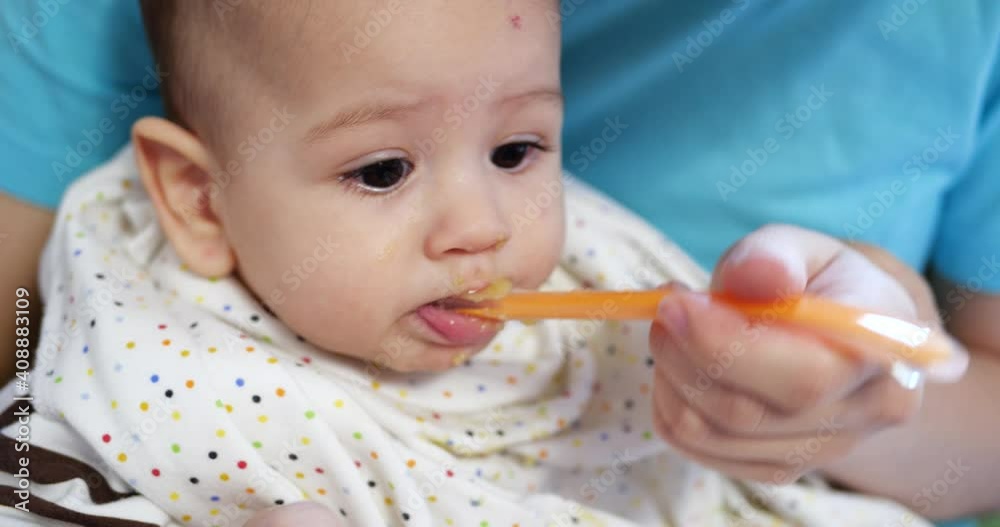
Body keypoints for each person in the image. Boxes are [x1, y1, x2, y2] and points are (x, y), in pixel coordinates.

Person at [0, 1, 996, 526]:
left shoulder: (597, 268)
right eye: (382, 170)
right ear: (197, 198)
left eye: (518, 150)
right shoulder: (150, 355)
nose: (480, 227)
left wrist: (866, 377)